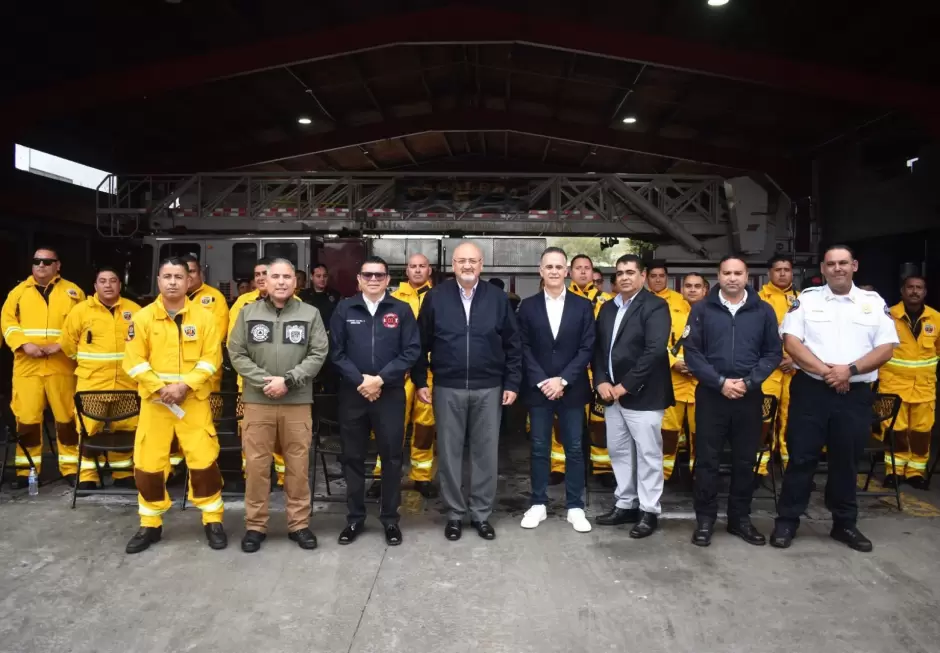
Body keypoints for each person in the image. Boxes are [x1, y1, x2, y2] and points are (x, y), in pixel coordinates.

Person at [771, 245, 898, 552]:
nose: (837, 268)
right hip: (812, 391)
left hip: (854, 394)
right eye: (831, 264)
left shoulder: (872, 302)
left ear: (854, 265)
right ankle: (787, 521)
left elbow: (886, 347)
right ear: (823, 269)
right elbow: (791, 342)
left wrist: (849, 371)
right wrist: (829, 373)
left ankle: (844, 524)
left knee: (846, 460)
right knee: (801, 458)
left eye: (843, 263)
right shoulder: (806, 300)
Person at [413, 241, 522, 541]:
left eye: (473, 261)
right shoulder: (436, 298)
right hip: (448, 387)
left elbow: (514, 344)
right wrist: (421, 380)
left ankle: (481, 514)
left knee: (486, 454)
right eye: (462, 261)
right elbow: (420, 344)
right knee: (448, 454)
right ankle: (455, 514)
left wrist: (512, 383)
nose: (467, 266)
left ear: (482, 264)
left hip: (489, 387)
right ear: (453, 265)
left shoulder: (498, 299)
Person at [122, 257, 225, 554]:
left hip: (192, 402)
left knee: (204, 462)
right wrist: (160, 388)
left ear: (189, 281)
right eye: (167, 276)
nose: (172, 282)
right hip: (156, 404)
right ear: (158, 280)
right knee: (148, 465)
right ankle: (150, 524)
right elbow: (134, 361)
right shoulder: (141, 319)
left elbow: (211, 359)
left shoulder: (204, 318)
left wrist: (185, 385)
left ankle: (213, 520)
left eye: (179, 276)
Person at [228, 259, 329, 553]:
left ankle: (299, 524)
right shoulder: (248, 313)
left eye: (287, 277)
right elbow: (236, 353)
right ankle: (255, 526)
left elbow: (318, 352)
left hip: (296, 402)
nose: (281, 282)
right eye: (275, 277)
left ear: (295, 282)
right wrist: (265, 381)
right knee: (257, 467)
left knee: (297, 467)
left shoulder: (310, 314)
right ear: (265, 281)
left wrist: (288, 380)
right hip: (258, 402)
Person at [683, 256, 781, 547]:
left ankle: (740, 519)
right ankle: (705, 520)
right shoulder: (702, 309)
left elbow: (773, 353)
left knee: (744, 461)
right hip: (712, 396)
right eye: (727, 273)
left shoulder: (764, 311)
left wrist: (749, 382)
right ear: (718, 275)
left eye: (738, 272)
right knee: (707, 461)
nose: (732, 278)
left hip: (748, 397)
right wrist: (720, 382)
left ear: (747, 275)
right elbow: (692, 354)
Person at [329, 256, 420, 546]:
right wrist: (361, 381)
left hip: (389, 394)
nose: (373, 279)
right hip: (352, 394)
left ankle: (390, 520)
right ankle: (355, 519)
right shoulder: (344, 309)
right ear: (358, 279)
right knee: (352, 458)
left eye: (379, 275)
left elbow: (411, 351)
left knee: (392, 458)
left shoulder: (402, 310)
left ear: (387, 279)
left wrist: (379, 380)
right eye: (367, 275)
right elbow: (336, 352)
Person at [591, 254, 672, 538]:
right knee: (619, 451)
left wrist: (624, 386)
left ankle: (649, 510)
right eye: (620, 273)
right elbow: (598, 349)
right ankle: (625, 503)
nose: (624, 277)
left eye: (630, 272)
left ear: (643, 275)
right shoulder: (608, 308)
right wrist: (600, 380)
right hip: (611, 395)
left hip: (643, 395)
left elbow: (654, 351)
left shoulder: (655, 306)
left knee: (649, 454)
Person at [517, 247, 595, 532]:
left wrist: (562, 380)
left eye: (558, 266)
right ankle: (538, 503)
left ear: (567, 272)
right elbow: (522, 347)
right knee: (539, 448)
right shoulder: (527, 306)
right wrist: (543, 381)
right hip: (539, 390)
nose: (553, 271)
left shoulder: (582, 305)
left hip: (571, 389)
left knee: (574, 449)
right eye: (548, 266)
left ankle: (575, 507)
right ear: (540, 271)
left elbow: (588, 347)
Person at [1, 247, 85, 487]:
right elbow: (7, 323)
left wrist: (61, 345)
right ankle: (25, 470)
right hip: (28, 366)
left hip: (62, 365)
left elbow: (82, 324)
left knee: (67, 419)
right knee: (27, 420)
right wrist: (23, 344)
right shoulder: (18, 293)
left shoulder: (74, 292)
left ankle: (70, 469)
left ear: (57, 265)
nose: (41, 265)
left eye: (47, 262)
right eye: (37, 261)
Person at [59, 267, 142, 490]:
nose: (108, 285)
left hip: (126, 382)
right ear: (95, 286)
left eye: (113, 281)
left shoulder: (135, 311)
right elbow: (67, 344)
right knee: (88, 429)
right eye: (102, 281)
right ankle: (88, 475)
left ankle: (122, 472)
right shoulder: (80, 312)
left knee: (125, 428)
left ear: (120, 285)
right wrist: (89, 364)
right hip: (92, 382)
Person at [368, 253, 438, 499]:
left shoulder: (438, 298)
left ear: (429, 270)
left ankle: (422, 476)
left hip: (429, 374)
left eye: (422, 266)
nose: (418, 270)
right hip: (399, 374)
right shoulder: (392, 298)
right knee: (390, 427)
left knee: (425, 427)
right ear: (406, 271)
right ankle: (383, 475)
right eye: (413, 267)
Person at [229, 258, 288, 487]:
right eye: (257, 274)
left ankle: (284, 477)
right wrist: (254, 373)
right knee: (250, 432)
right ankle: (252, 477)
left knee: (283, 434)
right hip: (249, 382)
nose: (261, 278)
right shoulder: (242, 304)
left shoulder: (296, 303)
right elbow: (233, 343)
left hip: (284, 382)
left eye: (266, 272)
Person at [878, 275, 938, 488]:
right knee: (895, 430)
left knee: (922, 431)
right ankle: (893, 471)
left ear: (925, 292)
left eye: (919, 288)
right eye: (910, 287)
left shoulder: (936, 318)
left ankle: (916, 472)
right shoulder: (888, 316)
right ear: (902, 291)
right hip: (894, 385)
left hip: (924, 386)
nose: (914, 291)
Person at [568, 254, 615, 486]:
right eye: (579, 268)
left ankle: (602, 467)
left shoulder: (607, 301)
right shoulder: (563, 298)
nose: (584, 272)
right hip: (571, 373)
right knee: (564, 422)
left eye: (587, 268)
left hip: (597, 373)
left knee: (600, 423)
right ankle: (559, 466)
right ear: (570, 272)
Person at [662, 272, 708, 481]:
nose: (692, 289)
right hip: (674, 383)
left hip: (703, 385)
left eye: (697, 286)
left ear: (705, 290)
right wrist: (674, 363)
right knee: (667, 435)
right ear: (682, 289)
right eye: (688, 285)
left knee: (701, 437)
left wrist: (700, 367)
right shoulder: (668, 312)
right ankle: (662, 477)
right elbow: (658, 343)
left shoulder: (715, 314)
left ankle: (698, 478)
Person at [758, 254, 800, 472]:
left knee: (791, 418)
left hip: (795, 370)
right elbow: (752, 336)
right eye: (778, 269)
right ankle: (760, 468)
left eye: (787, 269)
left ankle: (788, 465)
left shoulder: (803, 300)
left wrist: (795, 359)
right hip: (767, 370)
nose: (783, 273)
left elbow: (812, 337)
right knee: (764, 419)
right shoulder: (757, 299)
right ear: (769, 273)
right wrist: (775, 359)